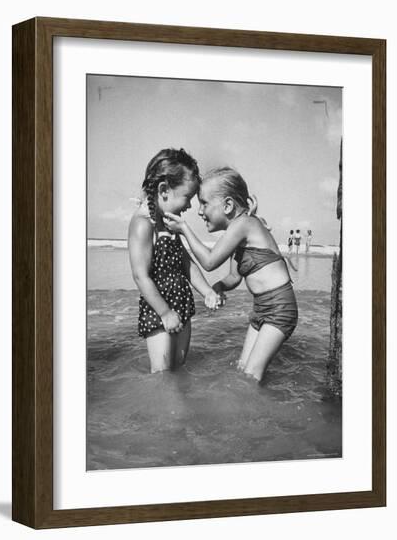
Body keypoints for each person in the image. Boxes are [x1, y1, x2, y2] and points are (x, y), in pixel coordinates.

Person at [164, 167, 298, 383]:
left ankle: (257, 415)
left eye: (204, 203)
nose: (200, 211)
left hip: (280, 308)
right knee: (243, 370)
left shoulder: (244, 224)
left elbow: (209, 262)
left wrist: (184, 229)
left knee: (252, 374)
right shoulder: (238, 232)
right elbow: (234, 277)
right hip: (262, 308)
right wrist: (218, 288)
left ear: (227, 205)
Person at [128, 148, 221, 373]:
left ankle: (178, 408)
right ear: (164, 190)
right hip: (158, 309)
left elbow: (186, 263)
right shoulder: (143, 224)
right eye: (187, 198)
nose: (189, 206)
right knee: (162, 374)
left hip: (182, 304)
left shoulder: (169, 223)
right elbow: (140, 276)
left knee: (179, 369)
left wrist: (207, 291)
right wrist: (165, 313)